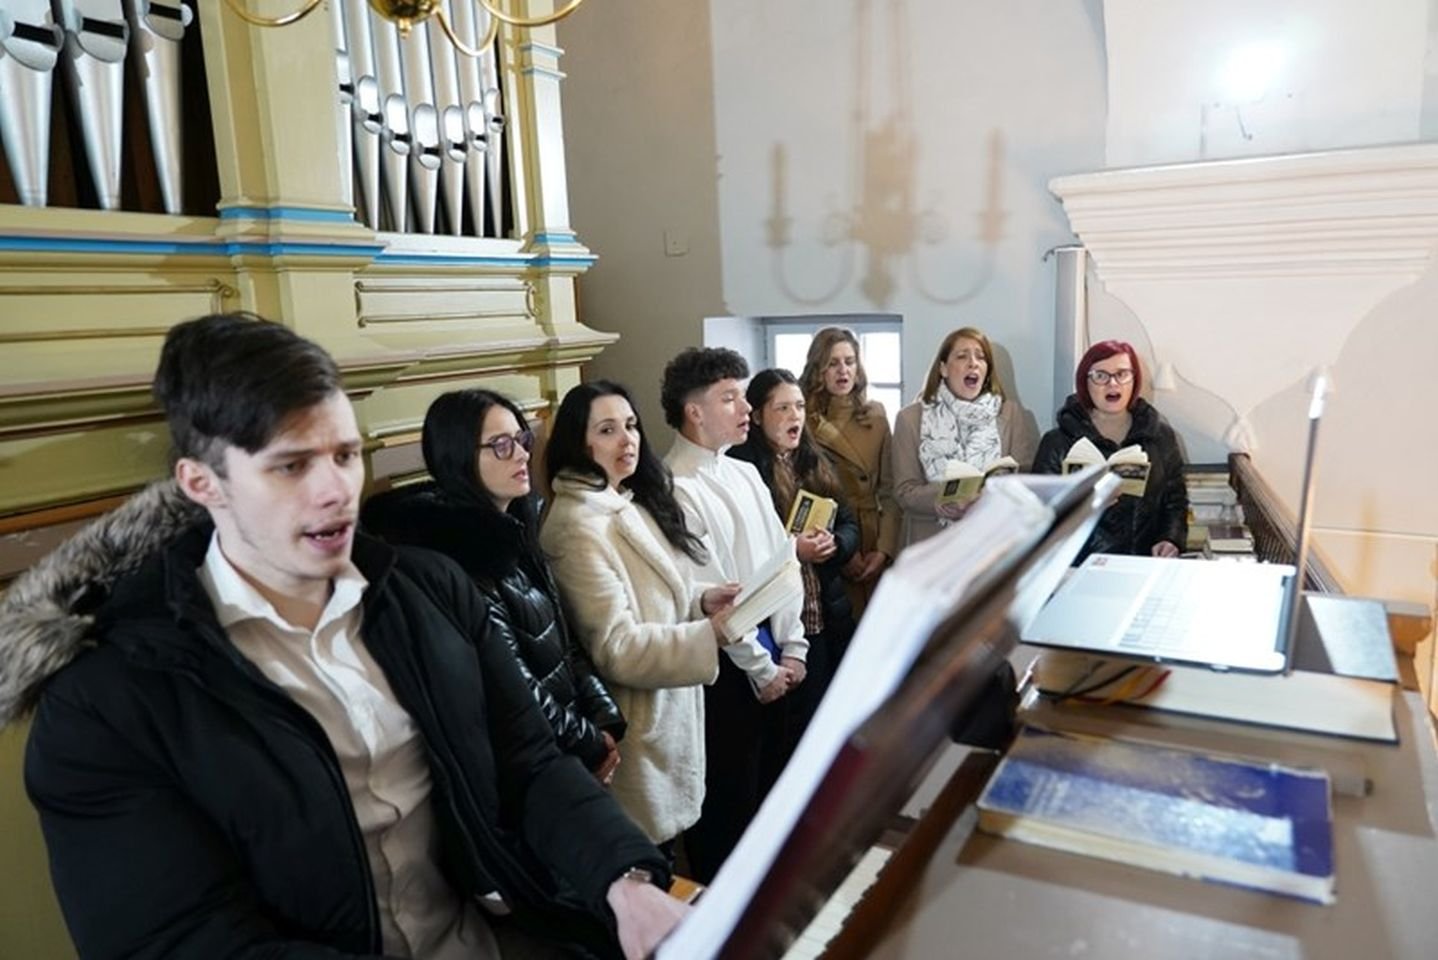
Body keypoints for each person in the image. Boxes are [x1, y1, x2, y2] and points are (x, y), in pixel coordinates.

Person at [1, 313, 683, 960]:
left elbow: (529, 763)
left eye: (346, 454)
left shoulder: (431, 592)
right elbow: (181, 942)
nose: (336, 491)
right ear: (202, 483)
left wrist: (624, 881)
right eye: (292, 465)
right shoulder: (108, 698)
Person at [361, 388, 625, 783]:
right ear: (459, 457)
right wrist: (587, 742)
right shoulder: (461, 559)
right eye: (501, 445)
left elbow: (566, 644)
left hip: (566, 745)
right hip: (530, 763)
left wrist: (604, 718)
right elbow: (514, 689)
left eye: (521, 440)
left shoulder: (519, 527)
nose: (521, 455)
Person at [538, 380, 739, 864]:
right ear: (579, 443)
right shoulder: (577, 526)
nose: (628, 439)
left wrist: (701, 599)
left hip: (669, 715)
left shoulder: (624, 501)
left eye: (630, 425)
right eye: (608, 430)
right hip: (638, 729)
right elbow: (617, 645)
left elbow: (654, 597)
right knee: (650, 866)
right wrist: (705, 636)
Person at [659, 348, 808, 883]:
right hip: (725, 669)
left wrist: (793, 647)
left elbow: (781, 563)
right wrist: (762, 668)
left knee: (773, 797)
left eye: (744, 395)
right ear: (694, 411)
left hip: (774, 655)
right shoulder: (674, 486)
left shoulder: (745, 472)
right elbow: (716, 589)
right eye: (730, 397)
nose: (746, 407)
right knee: (728, 806)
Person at [728, 367, 860, 741]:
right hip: (777, 621)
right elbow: (748, 549)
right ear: (756, 415)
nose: (795, 417)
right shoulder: (744, 468)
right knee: (786, 731)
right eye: (783, 408)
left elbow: (849, 524)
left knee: (827, 719)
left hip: (825, 611)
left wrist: (836, 545)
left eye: (799, 406)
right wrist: (795, 550)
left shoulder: (814, 459)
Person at [1033, 339, 1189, 561]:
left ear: (1134, 380)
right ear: (1084, 383)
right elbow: (1038, 514)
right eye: (1100, 376)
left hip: (1143, 563)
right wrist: (1084, 507)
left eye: (1122, 374)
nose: (1112, 384)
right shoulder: (1057, 442)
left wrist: (1170, 540)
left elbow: (1175, 502)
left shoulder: (1160, 437)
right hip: (1076, 568)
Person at [891, 326, 1040, 544]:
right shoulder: (910, 418)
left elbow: (1023, 478)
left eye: (981, 357)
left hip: (992, 541)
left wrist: (986, 496)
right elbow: (905, 491)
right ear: (943, 368)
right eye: (962, 356)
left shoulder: (1010, 414)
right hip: (931, 543)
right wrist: (946, 498)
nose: (973, 363)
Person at [800, 327, 901, 617]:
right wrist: (842, 550)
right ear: (818, 370)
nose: (843, 370)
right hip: (828, 538)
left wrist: (883, 549)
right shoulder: (803, 421)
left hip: (873, 540)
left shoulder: (876, 415)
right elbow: (801, 493)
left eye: (849, 361)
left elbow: (890, 491)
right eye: (832, 363)